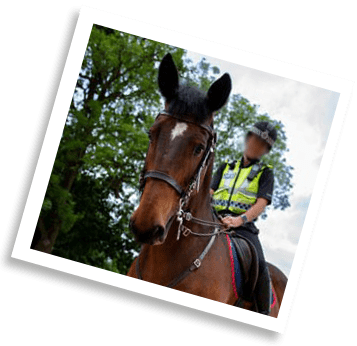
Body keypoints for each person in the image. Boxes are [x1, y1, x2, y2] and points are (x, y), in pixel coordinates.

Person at [210, 121, 277, 315]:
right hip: (213, 221)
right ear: (248, 139)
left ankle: (264, 316)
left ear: (266, 151)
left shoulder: (265, 173)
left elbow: (261, 204)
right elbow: (209, 192)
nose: (257, 146)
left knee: (261, 267)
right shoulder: (225, 167)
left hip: (243, 228)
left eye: (262, 145)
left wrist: (239, 220)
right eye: (255, 140)